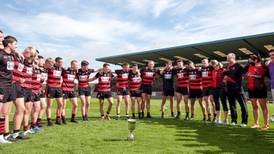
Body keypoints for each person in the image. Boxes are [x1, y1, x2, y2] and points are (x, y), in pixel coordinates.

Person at [0, 36, 17, 143]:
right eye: (15, 44)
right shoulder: (0, 55)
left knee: (5, 112)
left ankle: (3, 136)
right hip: (1, 85)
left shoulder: (12, 55)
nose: (16, 46)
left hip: (9, 86)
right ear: (9, 44)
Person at [223, 53, 248, 127]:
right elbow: (225, 74)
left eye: (228, 58)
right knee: (232, 105)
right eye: (227, 58)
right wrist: (225, 77)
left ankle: (244, 122)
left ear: (233, 58)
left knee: (243, 106)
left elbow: (245, 73)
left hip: (238, 89)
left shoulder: (239, 66)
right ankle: (234, 120)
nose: (227, 59)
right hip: (229, 89)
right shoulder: (227, 67)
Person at [245, 55, 269, 129]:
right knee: (254, 106)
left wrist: (251, 75)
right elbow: (247, 74)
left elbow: (261, 76)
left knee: (263, 107)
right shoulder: (249, 67)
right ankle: (256, 123)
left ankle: (266, 124)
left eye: (250, 60)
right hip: (251, 89)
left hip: (260, 89)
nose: (249, 61)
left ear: (256, 60)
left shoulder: (262, 66)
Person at [46, 57, 64, 126]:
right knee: (49, 105)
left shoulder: (61, 69)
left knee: (61, 104)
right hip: (50, 88)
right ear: (56, 62)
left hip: (58, 88)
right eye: (60, 62)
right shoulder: (50, 67)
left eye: (62, 62)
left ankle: (58, 118)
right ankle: (49, 120)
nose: (61, 64)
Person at [37, 57, 53, 127]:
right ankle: (34, 123)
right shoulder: (38, 68)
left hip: (40, 89)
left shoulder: (47, 70)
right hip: (34, 89)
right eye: (51, 63)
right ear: (47, 63)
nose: (52, 65)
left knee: (44, 106)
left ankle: (38, 121)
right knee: (35, 107)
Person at [211, 60, 228, 125]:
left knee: (224, 103)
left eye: (214, 64)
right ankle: (218, 118)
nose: (213, 65)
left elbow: (227, 75)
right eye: (212, 64)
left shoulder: (223, 70)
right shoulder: (213, 71)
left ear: (217, 64)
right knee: (216, 103)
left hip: (222, 88)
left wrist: (225, 79)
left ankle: (225, 119)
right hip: (214, 89)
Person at [268, 50, 274, 120]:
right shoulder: (269, 64)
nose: (272, 56)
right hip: (273, 86)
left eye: (273, 54)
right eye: (270, 55)